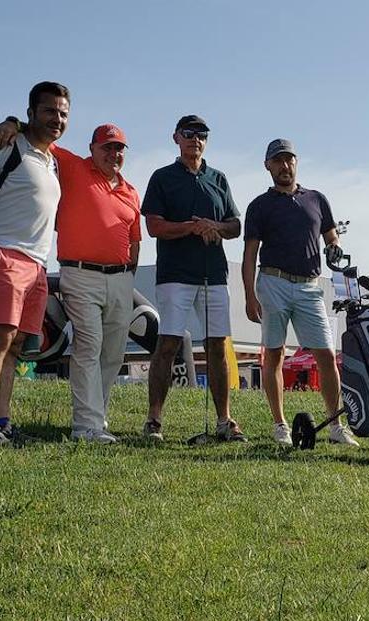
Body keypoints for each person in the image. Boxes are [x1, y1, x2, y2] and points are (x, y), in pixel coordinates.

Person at [0, 119, 142, 444]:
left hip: (119, 279)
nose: (113, 154)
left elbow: (135, 240)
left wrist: (129, 272)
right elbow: (44, 133)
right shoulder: (74, 167)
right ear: (93, 149)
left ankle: (96, 419)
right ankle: (85, 427)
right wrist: (14, 122)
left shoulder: (130, 192)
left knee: (113, 353)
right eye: (107, 147)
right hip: (80, 273)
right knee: (89, 345)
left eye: (119, 149)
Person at [0, 81, 68, 445]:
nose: (58, 119)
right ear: (31, 112)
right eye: (50, 111)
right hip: (0, 252)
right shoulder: (6, 144)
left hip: (37, 263)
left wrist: (16, 122)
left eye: (64, 113)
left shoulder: (52, 160)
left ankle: (2, 422)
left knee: (18, 345)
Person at [242, 139, 359, 448]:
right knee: (275, 353)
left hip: (309, 286)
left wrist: (335, 247)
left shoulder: (317, 199)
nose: (285, 165)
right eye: (278, 161)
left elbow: (331, 237)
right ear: (268, 166)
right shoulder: (259, 206)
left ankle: (336, 426)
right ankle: (280, 425)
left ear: (296, 162)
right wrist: (249, 296)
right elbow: (250, 254)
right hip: (273, 283)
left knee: (325, 355)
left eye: (289, 159)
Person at [141, 114, 245, 442]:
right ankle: (154, 420)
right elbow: (154, 226)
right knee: (168, 343)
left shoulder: (219, 178)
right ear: (176, 138)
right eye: (188, 134)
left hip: (213, 275)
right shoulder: (162, 177)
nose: (195, 141)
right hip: (175, 275)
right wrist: (191, 226)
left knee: (217, 345)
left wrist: (214, 227)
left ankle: (224, 421)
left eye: (201, 135)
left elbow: (235, 226)